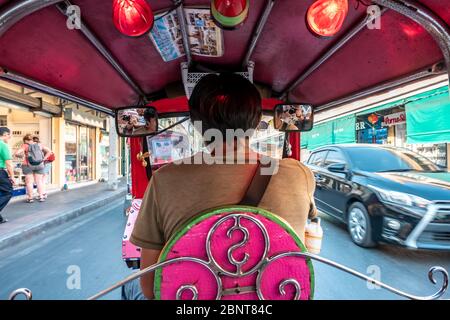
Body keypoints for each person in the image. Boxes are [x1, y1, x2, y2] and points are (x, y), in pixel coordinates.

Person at [129, 73, 317, 300]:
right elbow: (306, 249)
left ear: (197, 126)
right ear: (257, 122)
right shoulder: (298, 174)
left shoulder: (164, 180)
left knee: (128, 290)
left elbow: (150, 286)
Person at [14, 134, 51, 203]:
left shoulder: (25, 145)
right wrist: (43, 159)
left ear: (25, 140)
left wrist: (22, 156)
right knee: (39, 181)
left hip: (28, 165)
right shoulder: (39, 145)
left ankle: (30, 198)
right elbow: (49, 151)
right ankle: (41, 196)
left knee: (29, 182)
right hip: (39, 164)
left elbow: (16, 153)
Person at [0, 127, 15, 224]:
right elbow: (8, 163)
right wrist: (12, 176)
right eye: (9, 135)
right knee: (8, 192)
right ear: (5, 134)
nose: (10, 137)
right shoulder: (3, 145)